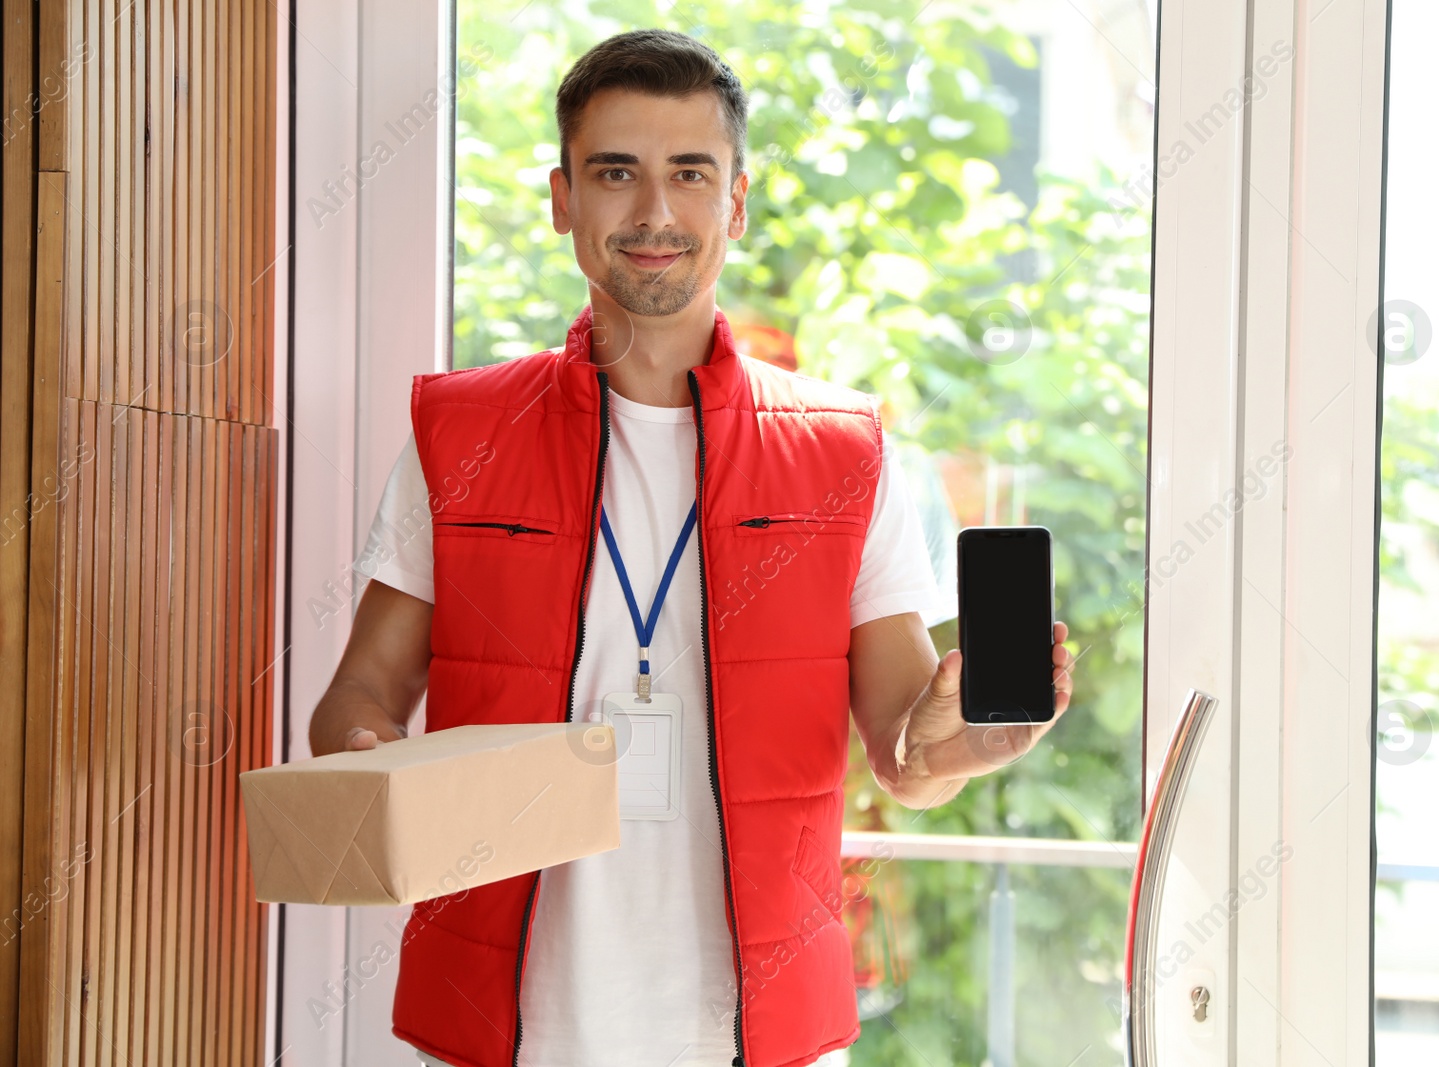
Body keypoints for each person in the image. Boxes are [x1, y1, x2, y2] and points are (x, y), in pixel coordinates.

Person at [306, 28, 1075, 1067]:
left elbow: (908, 760)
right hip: (509, 1027)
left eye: (689, 175)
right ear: (561, 197)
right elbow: (357, 697)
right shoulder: (462, 434)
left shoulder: (842, 453)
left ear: (737, 203)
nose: (654, 212)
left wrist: (966, 742)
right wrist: (372, 766)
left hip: (758, 1035)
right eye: (615, 172)